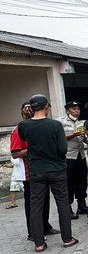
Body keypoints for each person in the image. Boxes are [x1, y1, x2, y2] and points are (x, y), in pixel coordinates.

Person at [18, 94, 77, 252]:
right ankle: (67, 239)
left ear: (31, 108)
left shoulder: (24, 125)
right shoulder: (55, 125)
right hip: (56, 168)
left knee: (36, 205)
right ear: (46, 107)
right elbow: (63, 148)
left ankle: (38, 243)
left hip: (36, 170)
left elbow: (24, 138)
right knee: (62, 203)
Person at [10, 101, 59, 241]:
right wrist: (36, 148)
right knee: (33, 203)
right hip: (29, 172)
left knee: (45, 201)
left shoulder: (40, 126)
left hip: (44, 169)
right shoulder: (20, 129)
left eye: (30, 107)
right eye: (26, 108)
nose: (29, 110)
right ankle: (33, 232)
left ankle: (45, 227)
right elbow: (15, 153)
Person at [56, 100, 88, 219]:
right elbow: (57, 138)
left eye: (78, 109)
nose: (76, 111)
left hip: (80, 155)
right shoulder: (60, 122)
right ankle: (67, 208)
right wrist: (72, 135)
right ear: (67, 110)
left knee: (82, 180)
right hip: (68, 157)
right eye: (74, 109)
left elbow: (85, 140)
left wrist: (86, 136)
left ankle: (82, 205)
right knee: (68, 182)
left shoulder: (81, 123)